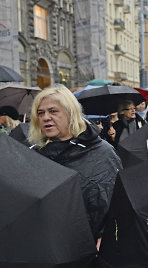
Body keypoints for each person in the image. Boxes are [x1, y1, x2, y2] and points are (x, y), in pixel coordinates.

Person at [27, 84, 122, 249]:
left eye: (53, 111)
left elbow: (117, 202)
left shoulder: (102, 153)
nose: (46, 117)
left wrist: (104, 239)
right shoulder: (33, 154)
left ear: (71, 114)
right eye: (40, 113)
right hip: (45, 247)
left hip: (89, 248)